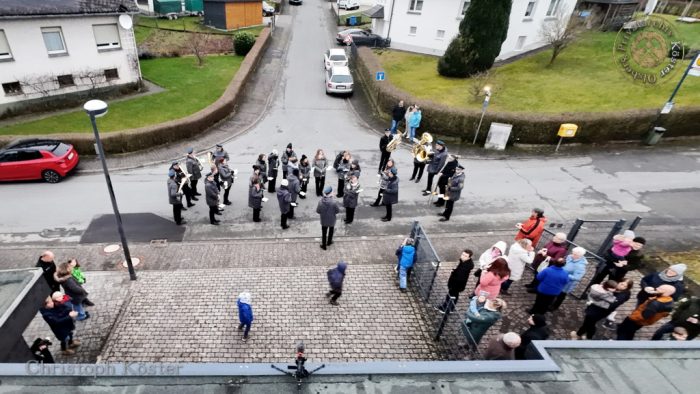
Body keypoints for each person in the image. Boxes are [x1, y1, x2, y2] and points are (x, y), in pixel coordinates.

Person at [549, 247, 588, 311]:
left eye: (575, 254)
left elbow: (577, 278)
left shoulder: (580, 266)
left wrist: (564, 274)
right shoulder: (570, 257)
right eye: (573, 253)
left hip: (567, 284)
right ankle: (550, 303)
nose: (572, 255)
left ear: (580, 256)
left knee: (561, 295)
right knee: (555, 292)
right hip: (560, 280)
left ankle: (554, 306)